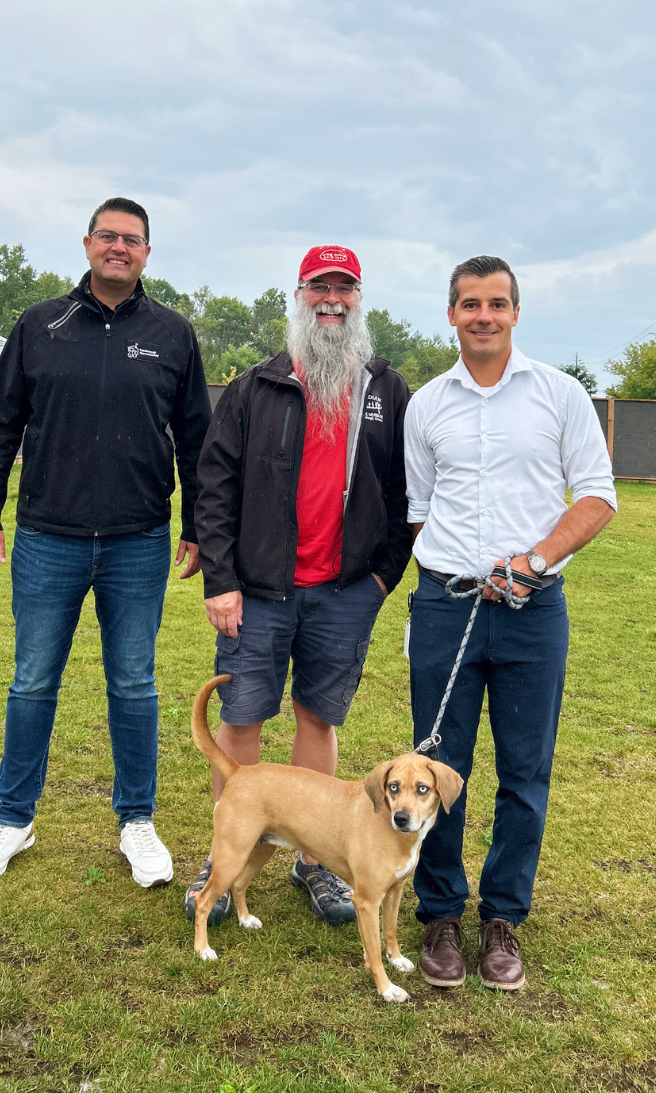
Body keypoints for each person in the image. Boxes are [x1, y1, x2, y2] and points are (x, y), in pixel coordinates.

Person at [0, 197, 211, 888]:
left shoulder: (173, 334)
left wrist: (196, 525)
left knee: (133, 684)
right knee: (32, 680)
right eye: (108, 236)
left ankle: (137, 821)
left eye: (132, 240)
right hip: (48, 538)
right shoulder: (41, 325)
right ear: (87, 243)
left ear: (147, 255)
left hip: (138, 541)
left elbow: (197, 443)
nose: (119, 248)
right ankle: (13, 819)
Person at [404, 254, 616, 990]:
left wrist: (535, 559)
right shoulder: (427, 404)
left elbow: (596, 496)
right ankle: (439, 915)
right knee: (437, 766)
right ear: (453, 314)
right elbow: (420, 509)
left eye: (497, 303)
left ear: (516, 313)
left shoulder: (561, 396)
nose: (483, 316)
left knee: (526, 771)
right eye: (470, 304)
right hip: (445, 606)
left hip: (532, 611)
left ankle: (502, 918)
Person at [191, 245, 413, 925]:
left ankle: (313, 861)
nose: (332, 300)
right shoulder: (255, 387)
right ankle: (227, 850)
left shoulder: (386, 390)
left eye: (344, 289)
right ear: (299, 296)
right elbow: (214, 485)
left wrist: (380, 577)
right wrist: (221, 581)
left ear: (359, 301)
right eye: (320, 287)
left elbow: (412, 491)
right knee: (242, 718)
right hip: (257, 592)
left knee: (318, 718)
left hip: (345, 593)